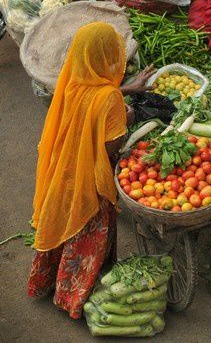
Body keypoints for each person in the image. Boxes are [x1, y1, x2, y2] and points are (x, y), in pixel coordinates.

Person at [26, 22, 132, 319]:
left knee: (62, 221)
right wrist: (126, 114)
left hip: (64, 172)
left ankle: (47, 283)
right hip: (90, 183)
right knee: (86, 234)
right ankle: (72, 296)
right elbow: (111, 146)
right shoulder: (110, 97)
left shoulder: (71, 83)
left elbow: (84, 113)